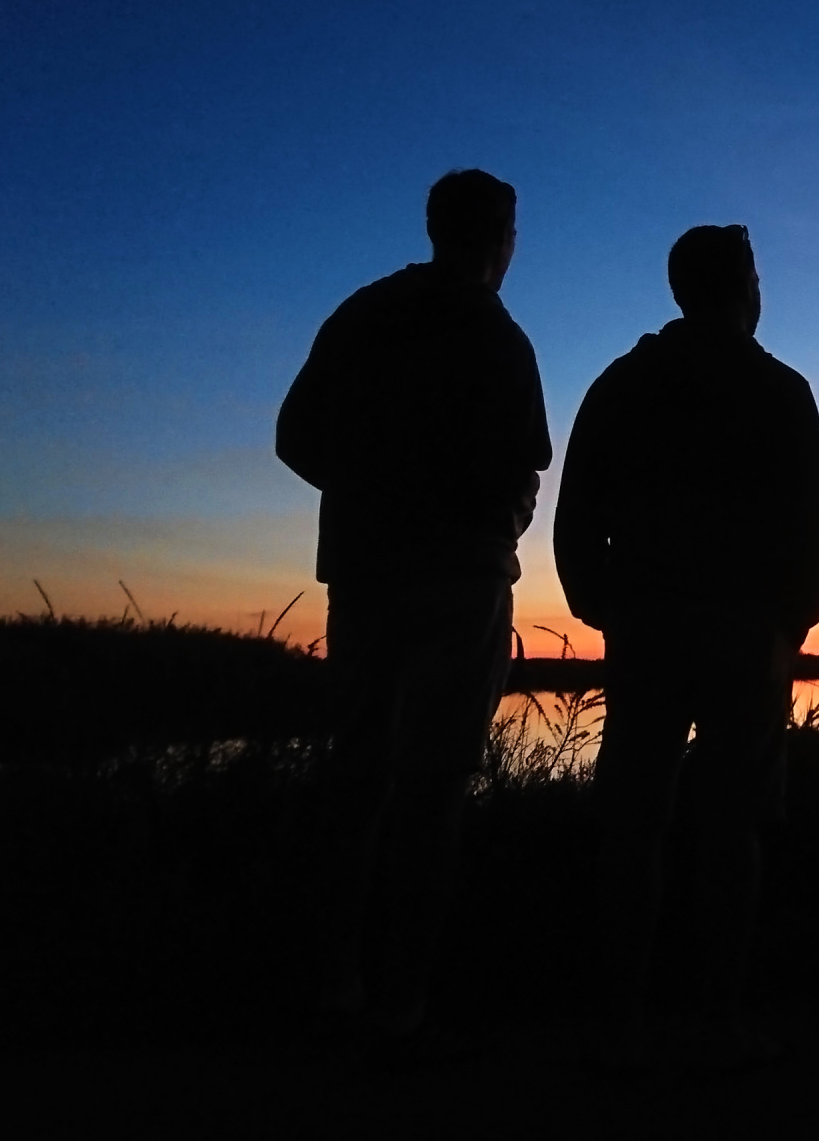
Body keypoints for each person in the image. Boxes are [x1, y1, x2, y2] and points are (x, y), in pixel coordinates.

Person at [275, 168, 550, 1059]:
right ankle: (403, 996)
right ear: (500, 236)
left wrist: (364, 497)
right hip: (459, 583)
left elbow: (295, 436)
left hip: (364, 574)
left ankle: (334, 981)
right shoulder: (496, 334)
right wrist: (486, 526)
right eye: (510, 233)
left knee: (355, 774)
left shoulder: (364, 314)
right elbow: (522, 468)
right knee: (432, 789)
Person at [554, 223, 819, 1068]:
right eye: (755, 275)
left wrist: (607, 610)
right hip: (744, 637)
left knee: (634, 825)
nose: (760, 291)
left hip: (652, 628)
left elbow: (574, 522)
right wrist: (788, 628)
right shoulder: (780, 389)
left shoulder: (623, 382)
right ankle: (717, 1018)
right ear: (740, 285)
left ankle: (625, 1022)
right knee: (733, 828)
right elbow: (812, 536)